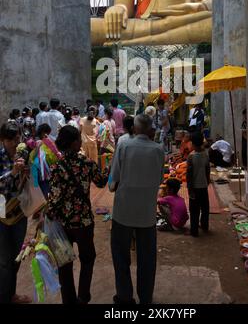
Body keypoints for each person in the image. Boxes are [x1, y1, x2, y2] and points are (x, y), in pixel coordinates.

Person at [45, 126, 106, 304]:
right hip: (84, 221)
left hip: (63, 223)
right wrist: (108, 170)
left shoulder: (56, 167)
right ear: (73, 143)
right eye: (79, 138)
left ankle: (69, 300)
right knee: (88, 259)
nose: (81, 141)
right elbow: (101, 183)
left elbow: (55, 198)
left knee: (64, 263)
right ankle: (83, 297)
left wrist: (48, 215)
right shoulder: (87, 163)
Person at [109, 114, 164, 304]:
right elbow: (159, 180)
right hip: (147, 213)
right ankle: (145, 297)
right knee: (147, 259)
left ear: (135, 128)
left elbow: (114, 176)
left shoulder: (124, 145)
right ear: (150, 130)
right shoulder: (158, 150)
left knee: (120, 255)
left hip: (123, 210)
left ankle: (124, 296)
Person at [0, 122, 31, 304]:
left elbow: (25, 183)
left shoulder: (23, 154)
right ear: (2, 140)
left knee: (16, 258)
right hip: (2, 213)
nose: (15, 142)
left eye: (17, 138)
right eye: (11, 139)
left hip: (19, 212)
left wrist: (25, 173)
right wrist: (12, 172)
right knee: (4, 260)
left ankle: (11, 295)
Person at [187, 132, 210, 237]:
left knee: (194, 210)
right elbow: (207, 169)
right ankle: (205, 225)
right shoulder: (205, 154)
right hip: (203, 185)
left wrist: (189, 189)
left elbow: (189, 175)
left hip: (194, 187)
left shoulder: (191, 157)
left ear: (192, 143)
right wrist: (207, 181)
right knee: (205, 208)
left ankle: (194, 230)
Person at [30, 123, 61, 198]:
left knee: (44, 195)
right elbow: (56, 154)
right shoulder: (47, 142)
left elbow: (32, 158)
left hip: (38, 175)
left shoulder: (33, 143)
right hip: (48, 174)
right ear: (45, 133)